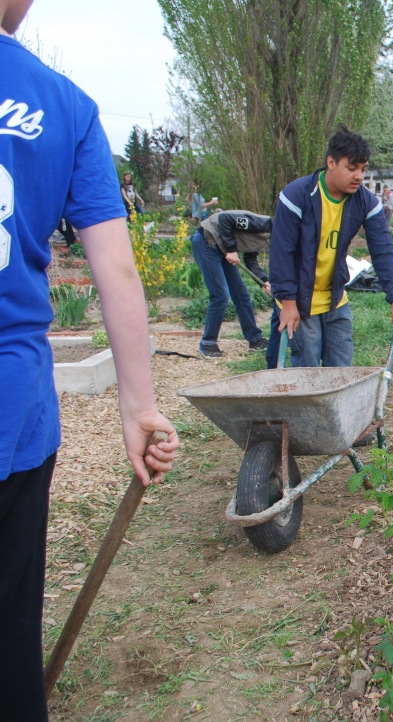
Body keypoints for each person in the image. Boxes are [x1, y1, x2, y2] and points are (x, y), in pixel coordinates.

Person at [0, 6, 180, 716]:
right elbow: (117, 271)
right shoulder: (64, 106)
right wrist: (137, 406)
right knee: (12, 637)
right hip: (13, 412)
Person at [270, 125, 393, 368]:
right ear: (331, 162)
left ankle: (336, 408)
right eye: (352, 168)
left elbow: (383, 249)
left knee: (341, 372)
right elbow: (282, 252)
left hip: (336, 300)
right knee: (308, 374)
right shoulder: (297, 196)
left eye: (363, 169)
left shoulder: (365, 201)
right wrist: (288, 304)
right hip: (301, 302)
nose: (358, 176)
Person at [193, 210, 271, 357]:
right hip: (206, 241)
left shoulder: (269, 237)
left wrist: (264, 281)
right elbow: (225, 219)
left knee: (241, 294)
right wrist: (231, 250)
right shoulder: (263, 224)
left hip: (222, 249)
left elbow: (251, 259)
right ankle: (207, 343)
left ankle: (255, 340)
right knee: (220, 295)